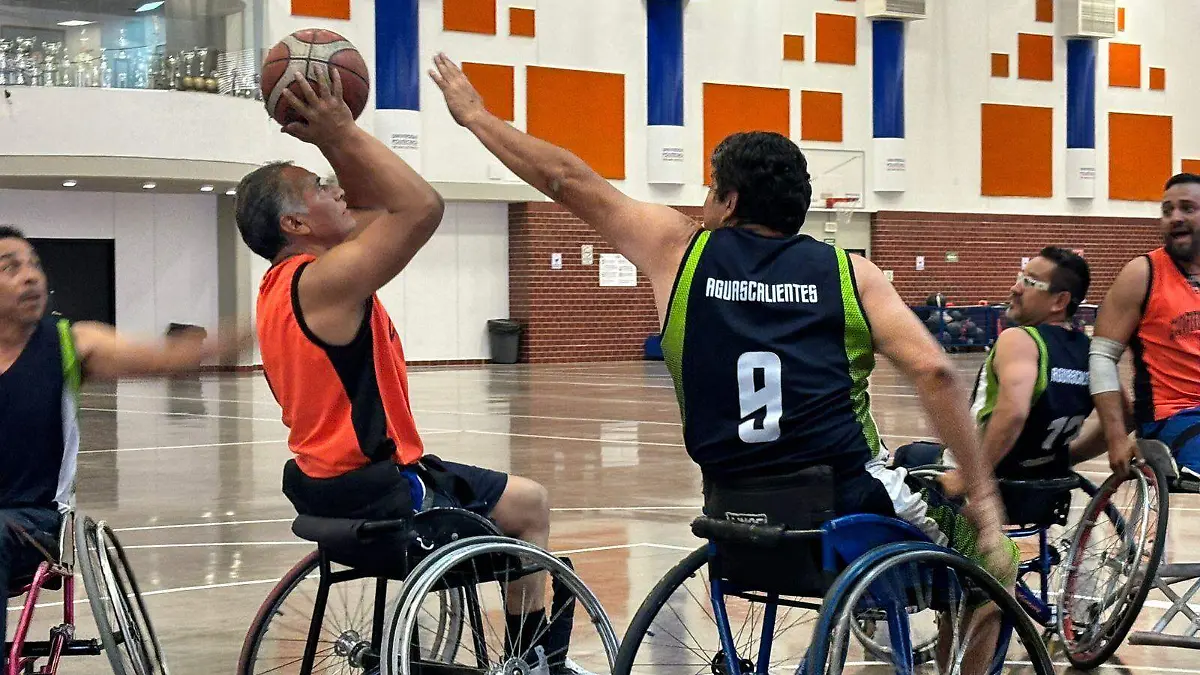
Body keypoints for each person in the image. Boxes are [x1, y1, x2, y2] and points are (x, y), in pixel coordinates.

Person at [428, 53, 1017, 670]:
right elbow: (936, 372)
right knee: (993, 571)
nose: (704, 201)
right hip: (844, 509)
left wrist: (475, 117)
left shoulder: (677, 252)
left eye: (710, 188)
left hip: (731, 512)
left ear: (731, 201)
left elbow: (566, 180)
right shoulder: (851, 275)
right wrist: (985, 501)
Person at [233, 69, 576, 672]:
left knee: (501, 495)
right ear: (294, 225)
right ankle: (534, 661)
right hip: (384, 491)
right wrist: (341, 131)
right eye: (320, 186)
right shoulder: (325, 281)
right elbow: (420, 206)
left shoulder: (280, 286)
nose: (336, 189)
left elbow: (372, 205)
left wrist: (336, 141)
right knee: (530, 505)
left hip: (327, 487)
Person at [0, 226, 244, 663]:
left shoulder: (71, 343)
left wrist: (246, 333)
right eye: (10, 268)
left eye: (33, 264)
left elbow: (162, 359)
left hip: (32, 521)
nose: (31, 276)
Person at [896, 247, 1119, 486]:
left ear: (1059, 301)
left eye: (1029, 282)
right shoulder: (1090, 352)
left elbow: (1013, 414)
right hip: (1045, 484)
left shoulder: (1020, 339)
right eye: (1020, 277)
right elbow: (1123, 415)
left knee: (907, 457)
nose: (1015, 287)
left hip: (993, 481)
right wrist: (1066, 458)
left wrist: (972, 477)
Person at [1091, 172, 1200, 492]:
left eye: (1187, 209)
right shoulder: (1143, 273)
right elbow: (1101, 356)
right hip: (1172, 418)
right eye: (1167, 211)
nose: (1175, 218)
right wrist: (1114, 437)